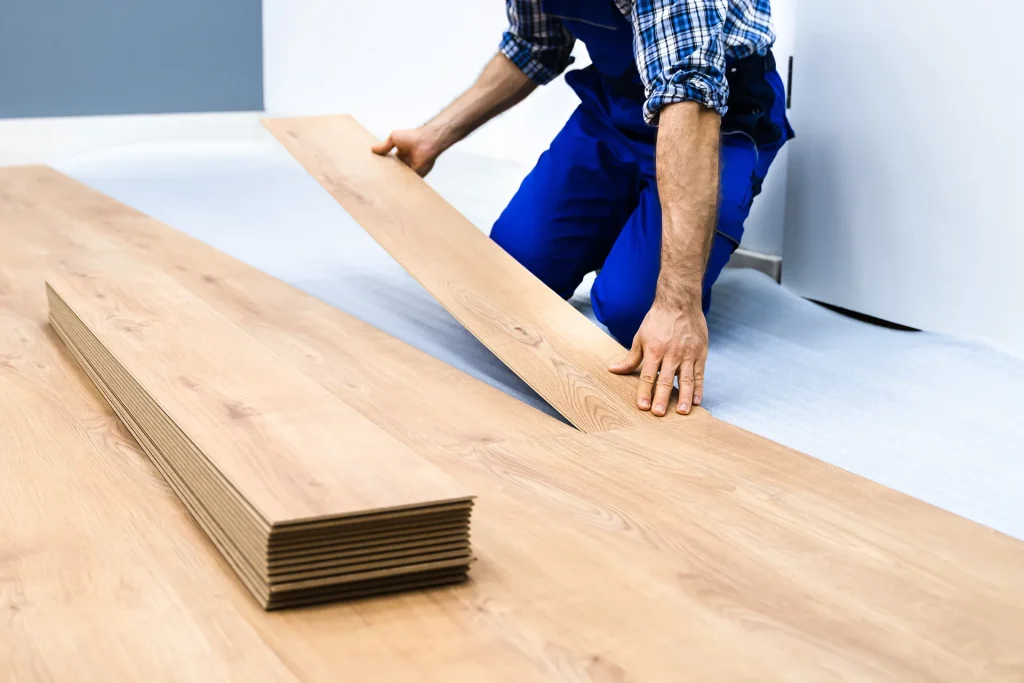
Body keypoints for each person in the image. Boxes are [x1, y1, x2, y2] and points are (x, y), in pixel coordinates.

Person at [373, 0, 793, 418]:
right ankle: (633, 225)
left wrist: (678, 304)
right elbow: (534, 47)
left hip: (716, 117)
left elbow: (689, 99)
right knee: (517, 275)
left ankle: (654, 246)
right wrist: (432, 138)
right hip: (618, 109)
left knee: (634, 313)